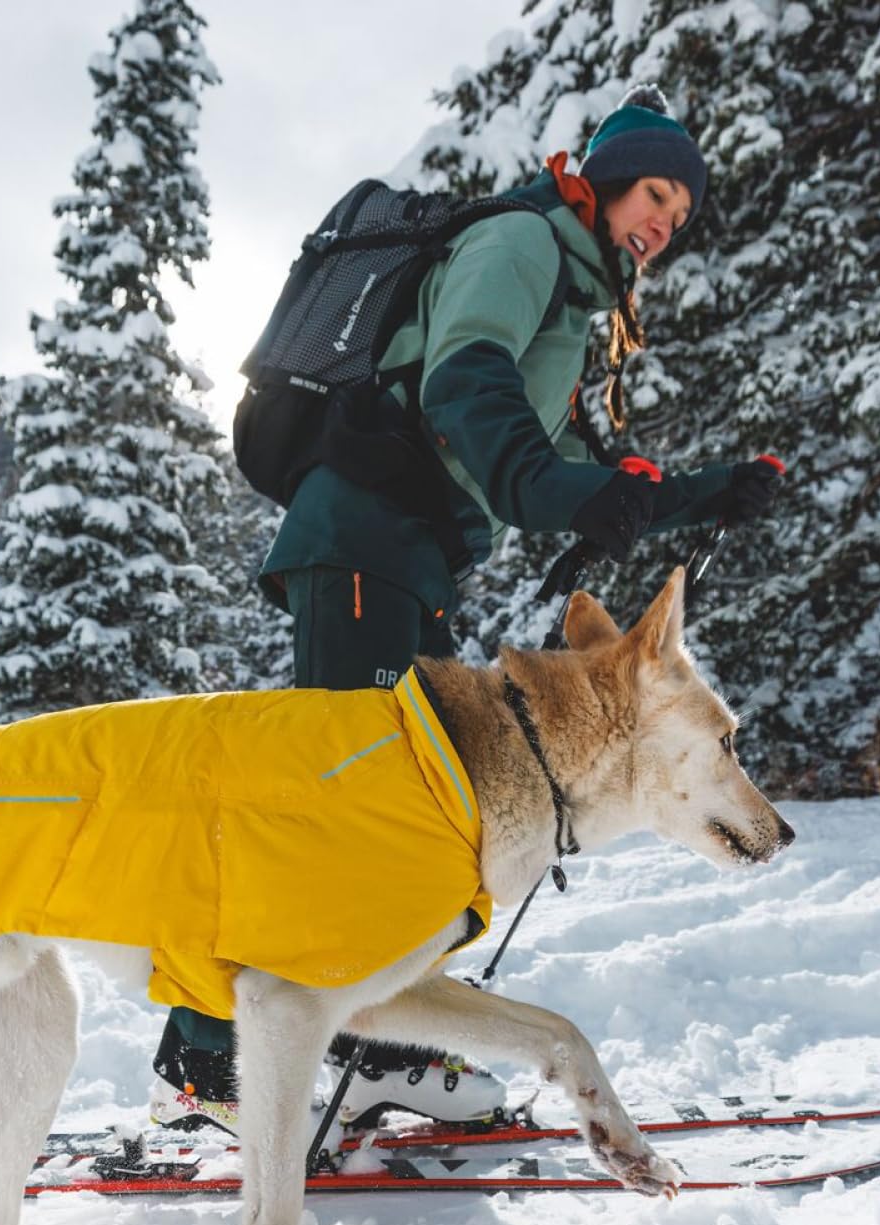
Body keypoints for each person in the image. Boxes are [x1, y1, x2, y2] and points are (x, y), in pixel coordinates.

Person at [147, 83, 781, 1136]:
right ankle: (208, 1064)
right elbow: (466, 388)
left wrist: (712, 489)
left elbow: (580, 467)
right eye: (655, 192)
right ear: (608, 181)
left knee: (417, 822)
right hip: (361, 541)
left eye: (682, 209)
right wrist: (559, 486)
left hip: (410, 562)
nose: (666, 219)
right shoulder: (521, 242)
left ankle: (377, 1043)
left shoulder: (576, 304)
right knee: (346, 811)